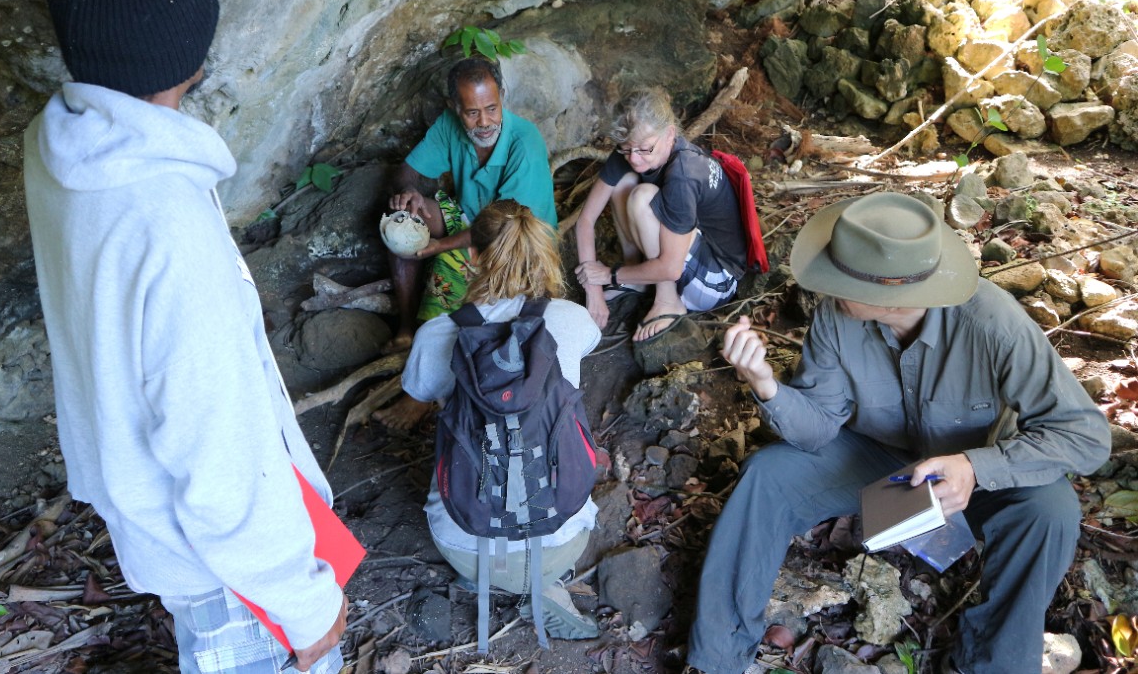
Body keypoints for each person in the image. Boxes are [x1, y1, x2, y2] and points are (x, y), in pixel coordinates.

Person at [25, 0, 347, 674]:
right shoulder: (165, 219)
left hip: (162, 533)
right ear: (190, 50)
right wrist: (305, 600)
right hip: (236, 579)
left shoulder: (60, 148)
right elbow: (216, 452)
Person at [688, 192, 1111, 674]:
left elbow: (1085, 436)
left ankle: (991, 664)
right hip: (875, 457)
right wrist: (765, 384)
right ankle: (717, 658)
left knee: (1051, 509)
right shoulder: (835, 314)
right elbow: (819, 428)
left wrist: (976, 467)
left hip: (973, 474)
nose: (826, 286)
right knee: (767, 474)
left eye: (840, 279)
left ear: (889, 297)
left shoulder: (993, 324)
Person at [401, 200, 600, 640]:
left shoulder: (438, 334)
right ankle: (548, 584)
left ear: (472, 257)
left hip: (462, 542)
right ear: (543, 254)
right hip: (563, 540)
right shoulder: (574, 319)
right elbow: (586, 346)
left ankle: (489, 575)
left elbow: (419, 391)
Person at [376, 57, 557, 429]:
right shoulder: (450, 126)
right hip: (473, 218)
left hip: (518, 241)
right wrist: (409, 193)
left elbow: (503, 225)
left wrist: (441, 247)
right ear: (454, 108)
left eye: (492, 108)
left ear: (502, 97)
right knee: (404, 217)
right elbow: (407, 172)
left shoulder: (524, 142)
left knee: (457, 271)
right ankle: (407, 330)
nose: (484, 122)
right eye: (472, 113)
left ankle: (426, 391)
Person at [573, 88, 747, 342]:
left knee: (643, 198)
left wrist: (610, 275)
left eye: (645, 149)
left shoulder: (684, 174)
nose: (635, 159)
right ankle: (638, 277)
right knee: (624, 182)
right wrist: (593, 292)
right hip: (687, 261)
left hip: (715, 281)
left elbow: (671, 268)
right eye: (625, 149)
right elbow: (586, 220)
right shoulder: (633, 149)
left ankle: (667, 301)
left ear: (670, 135)